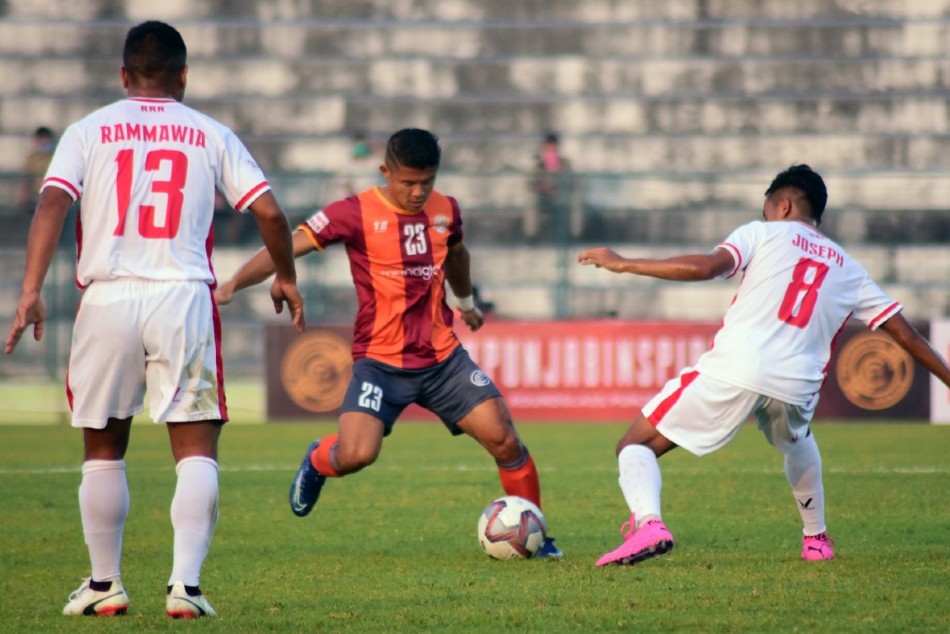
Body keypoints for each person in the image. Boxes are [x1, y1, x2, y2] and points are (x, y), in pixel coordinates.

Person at [4, 21, 304, 617]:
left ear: (123, 75)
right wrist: (287, 276)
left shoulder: (88, 130)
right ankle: (185, 588)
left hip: (108, 297)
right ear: (183, 75)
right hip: (182, 296)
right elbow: (270, 212)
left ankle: (103, 584)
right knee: (195, 447)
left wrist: (31, 290)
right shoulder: (210, 132)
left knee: (103, 447)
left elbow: (52, 202)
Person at [577, 164, 950, 567]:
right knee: (798, 440)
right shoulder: (850, 269)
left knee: (635, 445)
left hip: (738, 367)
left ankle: (649, 524)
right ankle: (816, 540)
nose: (766, 216)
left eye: (767, 209)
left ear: (783, 205)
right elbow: (908, 336)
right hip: (798, 385)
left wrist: (623, 263)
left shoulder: (762, 233)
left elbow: (706, 268)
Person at [215, 128, 563, 558]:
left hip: (442, 360)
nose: (418, 192)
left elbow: (457, 255)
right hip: (380, 362)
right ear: (386, 171)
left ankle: (536, 536)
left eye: (427, 182)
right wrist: (234, 283)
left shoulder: (447, 210)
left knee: (505, 440)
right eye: (408, 182)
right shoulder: (353, 211)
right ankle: (318, 459)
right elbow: (287, 243)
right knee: (357, 454)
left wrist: (465, 303)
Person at [525, 132, 579, 243]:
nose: (551, 148)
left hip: (561, 196)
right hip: (542, 197)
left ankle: (574, 235)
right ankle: (532, 236)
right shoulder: (538, 164)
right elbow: (531, 182)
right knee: (532, 202)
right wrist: (544, 188)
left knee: (574, 202)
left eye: (554, 145)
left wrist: (558, 188)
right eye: (549, 145)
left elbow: (573, 181)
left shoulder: (565, 163)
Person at [16, 126, 57, 212]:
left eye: (46, 139)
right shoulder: (32, 159)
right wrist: (24, 196)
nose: (44, 142)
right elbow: (25, 180)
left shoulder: (57, 157)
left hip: (54, 197)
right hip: (36, 198)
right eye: (40, 139)